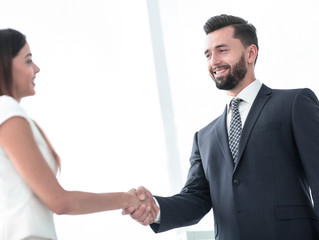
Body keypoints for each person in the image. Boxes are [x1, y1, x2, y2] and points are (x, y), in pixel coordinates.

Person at [122, 14, 319, 240]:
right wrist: (155, 208)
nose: (213, 61)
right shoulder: (204, 137)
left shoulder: (294, 104)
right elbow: (196, 199)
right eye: (208, 54)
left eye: (222, 50)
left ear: (250, 53)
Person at [0, 28, 156, 240]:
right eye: (28, 61)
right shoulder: (7, 110)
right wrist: (127, 199)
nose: (37, 68)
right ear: (5, 65)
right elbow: (59, 201)